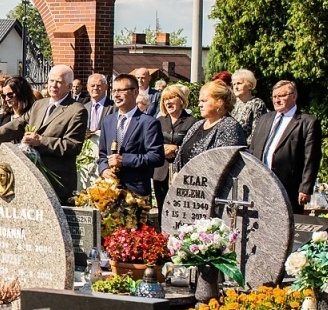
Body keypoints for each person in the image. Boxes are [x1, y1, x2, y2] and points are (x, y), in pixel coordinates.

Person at [0, 65, 87, 202]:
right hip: (31, 178)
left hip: (57, 183)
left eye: (59, 82)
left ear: (70, 86)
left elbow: (73, 146)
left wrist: (41, 141)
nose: (53, 85)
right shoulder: (39, 105)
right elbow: (14, 126)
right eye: (51, 80)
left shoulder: (77, 110)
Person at [249, 79, 321, 207]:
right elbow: (253, 149)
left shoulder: (307, 123)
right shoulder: (264, 119)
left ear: (294, 96)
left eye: (281, 96)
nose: (277, 100)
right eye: (274, 97)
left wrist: (305, 188)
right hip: (260, 185)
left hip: (289, 188)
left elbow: (311, 158)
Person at [96, 73, 164, 197]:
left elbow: (156, 157)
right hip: (109, 191)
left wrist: (124, 160)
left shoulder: (148, 123)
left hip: (136, 193)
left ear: (135, 92)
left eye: (121, 90)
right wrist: (104, 169)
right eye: (114, 91)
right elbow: (102, 155)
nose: (116, 95)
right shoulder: (108, 121)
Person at [174, 80, 248, 170]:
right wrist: (177, 173)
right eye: (200, 101)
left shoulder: (230, 126)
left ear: (219, 102)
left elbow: (223, 165)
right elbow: (180, 156)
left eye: (204, 101)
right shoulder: (197, 125)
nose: (200, 105)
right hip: (184, 178)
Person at [153, 83, 198, 214]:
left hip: (182, 172)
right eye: (165, 99)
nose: (168, 102)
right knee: (162, 210)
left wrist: (176, 149)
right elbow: (150, 145)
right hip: (160, 173)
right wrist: (163, 148)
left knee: (181, 211)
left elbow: (195, 147)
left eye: (172, 98)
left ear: (181, 100)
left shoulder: (192, 122)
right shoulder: (158, 121)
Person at [231, 69, 268, 136]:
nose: (236, 87)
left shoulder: (257, 104)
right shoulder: (233, 104)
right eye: (234, 84)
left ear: (249, 85)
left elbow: (257, 132)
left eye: (239, 83)